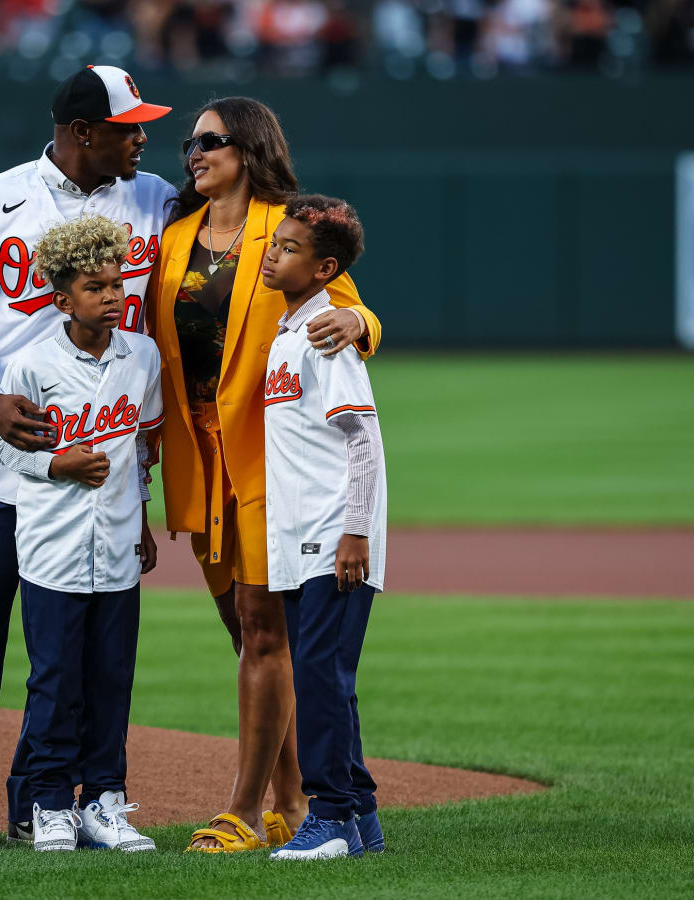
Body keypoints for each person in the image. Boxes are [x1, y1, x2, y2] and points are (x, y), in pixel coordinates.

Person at [0, 64, 174, 850]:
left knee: (76, 643)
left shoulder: (155, 197)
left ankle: (42, 800)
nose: (143, 138)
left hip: (98, 468)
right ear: (83, 132)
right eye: (130, 127)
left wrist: (355, 316)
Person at [145, 96, 382, 853]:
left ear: (248, 148)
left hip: (266, 459)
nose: (192, 151)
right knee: (243, 632)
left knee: (262, 629)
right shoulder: (175, 236)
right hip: (199, 456)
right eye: (189, 142)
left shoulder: (285, 228)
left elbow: (348, 308)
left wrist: (363, 323)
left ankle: (244, 812)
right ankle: (292, 798)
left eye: (209, 140)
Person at [0, 215, 163, 853]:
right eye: (96, 288)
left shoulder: (140, 356)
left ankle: (106, 804)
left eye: (117, 285)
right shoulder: (31, 363)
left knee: (112, 680)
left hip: (117, 547)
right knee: (56, 683)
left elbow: (143, 448)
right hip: (51, 549)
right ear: (63, 298)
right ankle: (49, 805)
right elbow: (6, 454)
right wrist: (54, 463)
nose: (112, 297)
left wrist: (143, 521)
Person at [258, 194, 386, 861]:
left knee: (318, 674)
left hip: (334, 534)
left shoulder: (325, 334)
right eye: (273, 242)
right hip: (305, 532)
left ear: (324, 267)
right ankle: (360, 818)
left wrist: (355, 533)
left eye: (289, 247)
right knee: (326, 675)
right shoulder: (288, 332)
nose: (272, 253)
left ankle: (329, 817)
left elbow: (362, 439)